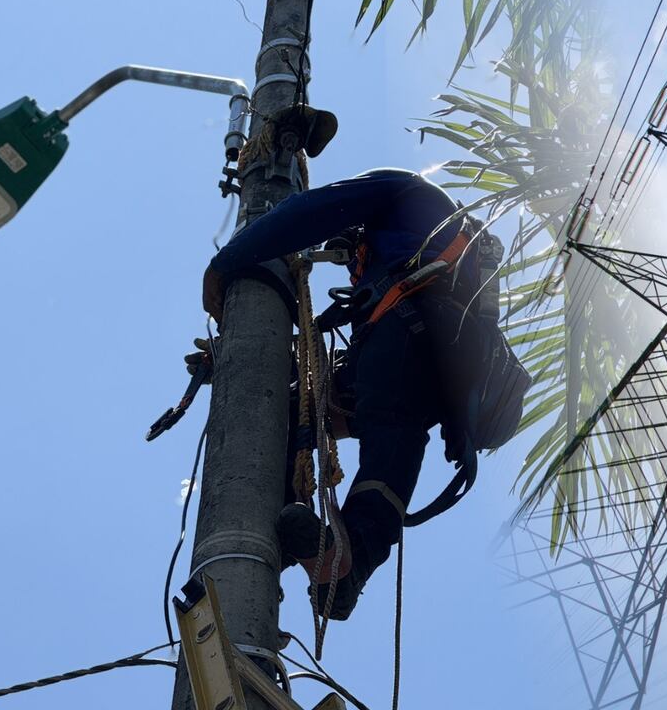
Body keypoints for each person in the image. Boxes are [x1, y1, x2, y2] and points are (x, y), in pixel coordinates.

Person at [202, 167, 494, 620]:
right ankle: (320, 551)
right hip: (428, 353)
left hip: (409, 328)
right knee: (302, 407)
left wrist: (229, 261)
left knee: (391, 424)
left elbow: (310, 211)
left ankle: (348, 558)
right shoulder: (425, 247)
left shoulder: (404, 189)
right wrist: (234, 357)